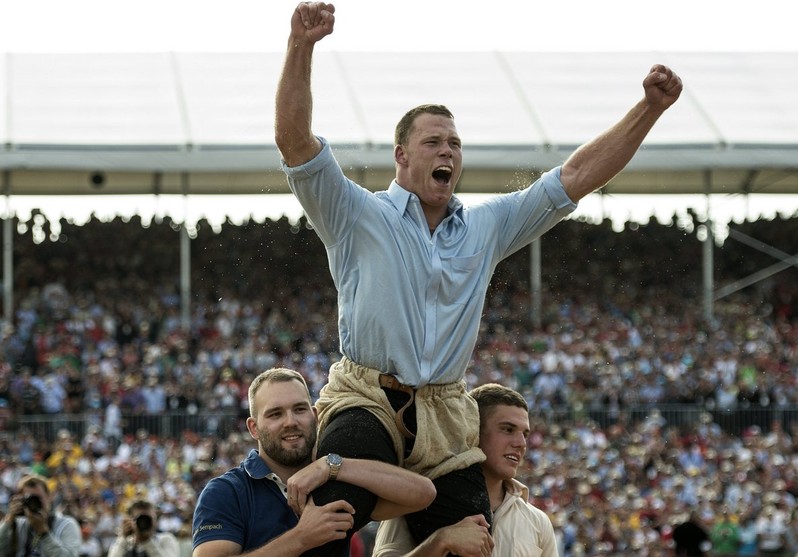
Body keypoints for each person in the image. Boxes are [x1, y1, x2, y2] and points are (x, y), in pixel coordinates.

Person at [274, 1, 682, 552]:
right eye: (433, 142)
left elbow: (575, 177)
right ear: (401, 155)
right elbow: (295, 144)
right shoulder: (356, 214)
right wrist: (301, 47)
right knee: (330, 520)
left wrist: (649, 109)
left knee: (474, 541)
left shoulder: (484, 228)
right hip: (366, 397)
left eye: (455, 144)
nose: (448, 151)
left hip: (444, 414)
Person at [191, 367, 435, 557]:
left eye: (299, 409)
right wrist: (301, 538)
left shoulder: (334, 480)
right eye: (275, 414)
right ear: (253, 428)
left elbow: (423, 493)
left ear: (315, 416)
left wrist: (332, 466)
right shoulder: (226, 492)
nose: (290, 422)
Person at [372, 383, 558, 557]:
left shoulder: (537, 522)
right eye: (508, 429)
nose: (521, 444)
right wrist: (441, 540)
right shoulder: (416, 501)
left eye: (525, 434)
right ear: (472, 432)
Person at [0, 473, 83, 557]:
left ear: (49, 497)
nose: (34, 503)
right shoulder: (20, 524)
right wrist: (9, 519)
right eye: (29, 499)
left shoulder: (67, 524)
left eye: (38, 498)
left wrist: (44, 532)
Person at [107, 499, 179, 557]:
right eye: (139, 519)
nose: (144, 522)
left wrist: (147, 540)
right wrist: (123, 538)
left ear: (155, 520)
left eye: (148, 518)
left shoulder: (165, 539)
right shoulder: (125, 542)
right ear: (130, 520)